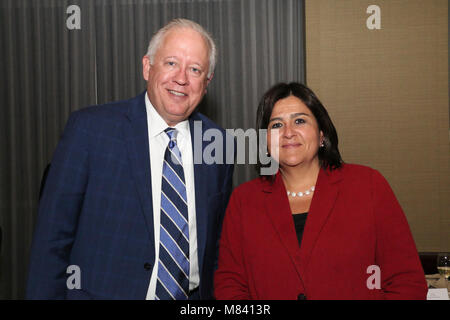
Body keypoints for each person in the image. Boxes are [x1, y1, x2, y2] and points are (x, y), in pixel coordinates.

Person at [26, 18, 234, 300]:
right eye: (171, 63)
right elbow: (51, 241)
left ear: (206, 83)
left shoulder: (217, 144)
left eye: (195, 69)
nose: (182, 78)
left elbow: (219, 246)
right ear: (147, 67)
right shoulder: (90, 130)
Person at [214, 82, 427, 300]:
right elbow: (229, 286)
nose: (288, 133)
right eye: (276, 125)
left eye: (299, 121)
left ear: (321, 133)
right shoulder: (244, 201)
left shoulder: (369, 186)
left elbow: (407, 282)